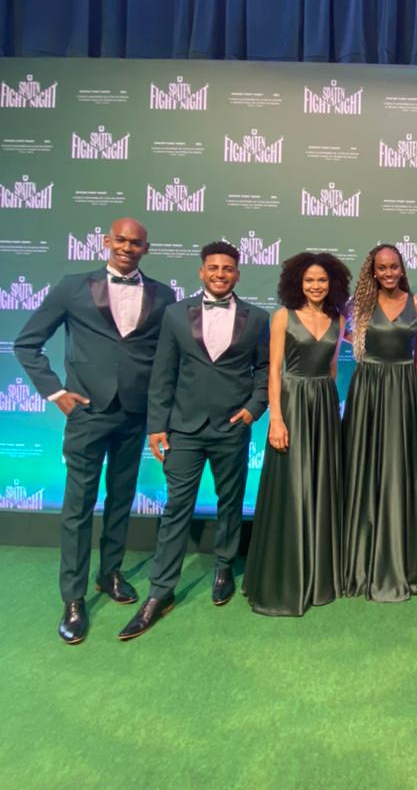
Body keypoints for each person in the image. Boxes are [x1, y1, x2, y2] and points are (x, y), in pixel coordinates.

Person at [14, 217, 175, 644]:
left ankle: (110, 573)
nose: (127, 247)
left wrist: (160, 415)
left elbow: (164, 359)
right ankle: (73, 596)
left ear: (146, 248)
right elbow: (26, 343)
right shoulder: (72, 286)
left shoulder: (164, 295)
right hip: (87, 412)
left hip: (135, 413)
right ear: (106, 241)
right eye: (120, 240)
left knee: (121, 499)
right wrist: (55, 392)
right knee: (78, 506)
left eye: (136, 242)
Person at [117, 241, 269, 639]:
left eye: (228, 268)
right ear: (202, 272)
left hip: (232, 427)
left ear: (237, 274)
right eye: (213, 268)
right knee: (176, 508)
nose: (220, 274)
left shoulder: (257, 317)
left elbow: (264, 369)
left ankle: (224, 567)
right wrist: (157, 425)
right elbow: (163, 371)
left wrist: (254, 409)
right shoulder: (174, 314)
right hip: (183, 428)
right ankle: (160, 591)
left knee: (230, 502)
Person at [243, 252, 351, 617]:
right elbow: (274, 370)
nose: (315, 286)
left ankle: (319, 575)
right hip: (292, 403)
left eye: (321, 280)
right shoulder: (282, 317)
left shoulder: (339, 319)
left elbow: (332, 369)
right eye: (309, 280)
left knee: (320, 484)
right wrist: (276, 419)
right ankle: (286, 575)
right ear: (297, 283)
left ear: (331, 283)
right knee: (292, 485)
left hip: (324, 405)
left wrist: (331, 413)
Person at [340, 244, 417, 602]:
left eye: (393, 267)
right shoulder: (359, 305)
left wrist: (412, 395)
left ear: (401, 268)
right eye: (382, 267)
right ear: (373, 271)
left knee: (397, 470)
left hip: (402, 392)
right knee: (364, 469)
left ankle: (399, 556)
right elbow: (342, 337)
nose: (388, 273)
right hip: (368, 392)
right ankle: (360, 557)